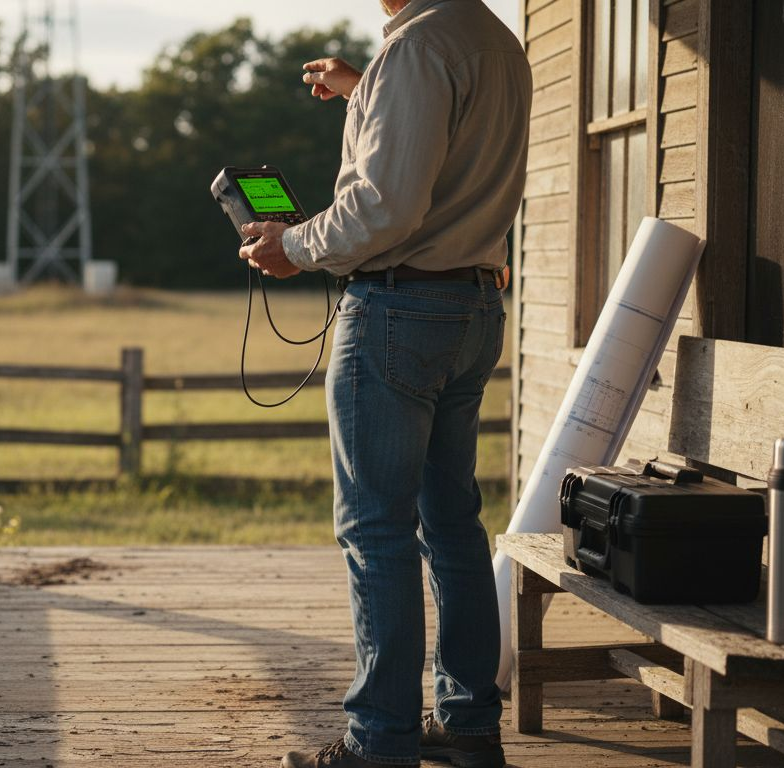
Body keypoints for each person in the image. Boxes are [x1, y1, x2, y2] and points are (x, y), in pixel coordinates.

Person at [237, 1, 531, 766]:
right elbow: (445, 145)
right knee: (453, 523)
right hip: (473, 305)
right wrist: (365, 86)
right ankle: (469, 726)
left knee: (377, 530)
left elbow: (386, 204)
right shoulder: (495, 42)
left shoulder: (417, 50)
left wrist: (294, 245)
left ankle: (380, 743)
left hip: (401, 308)